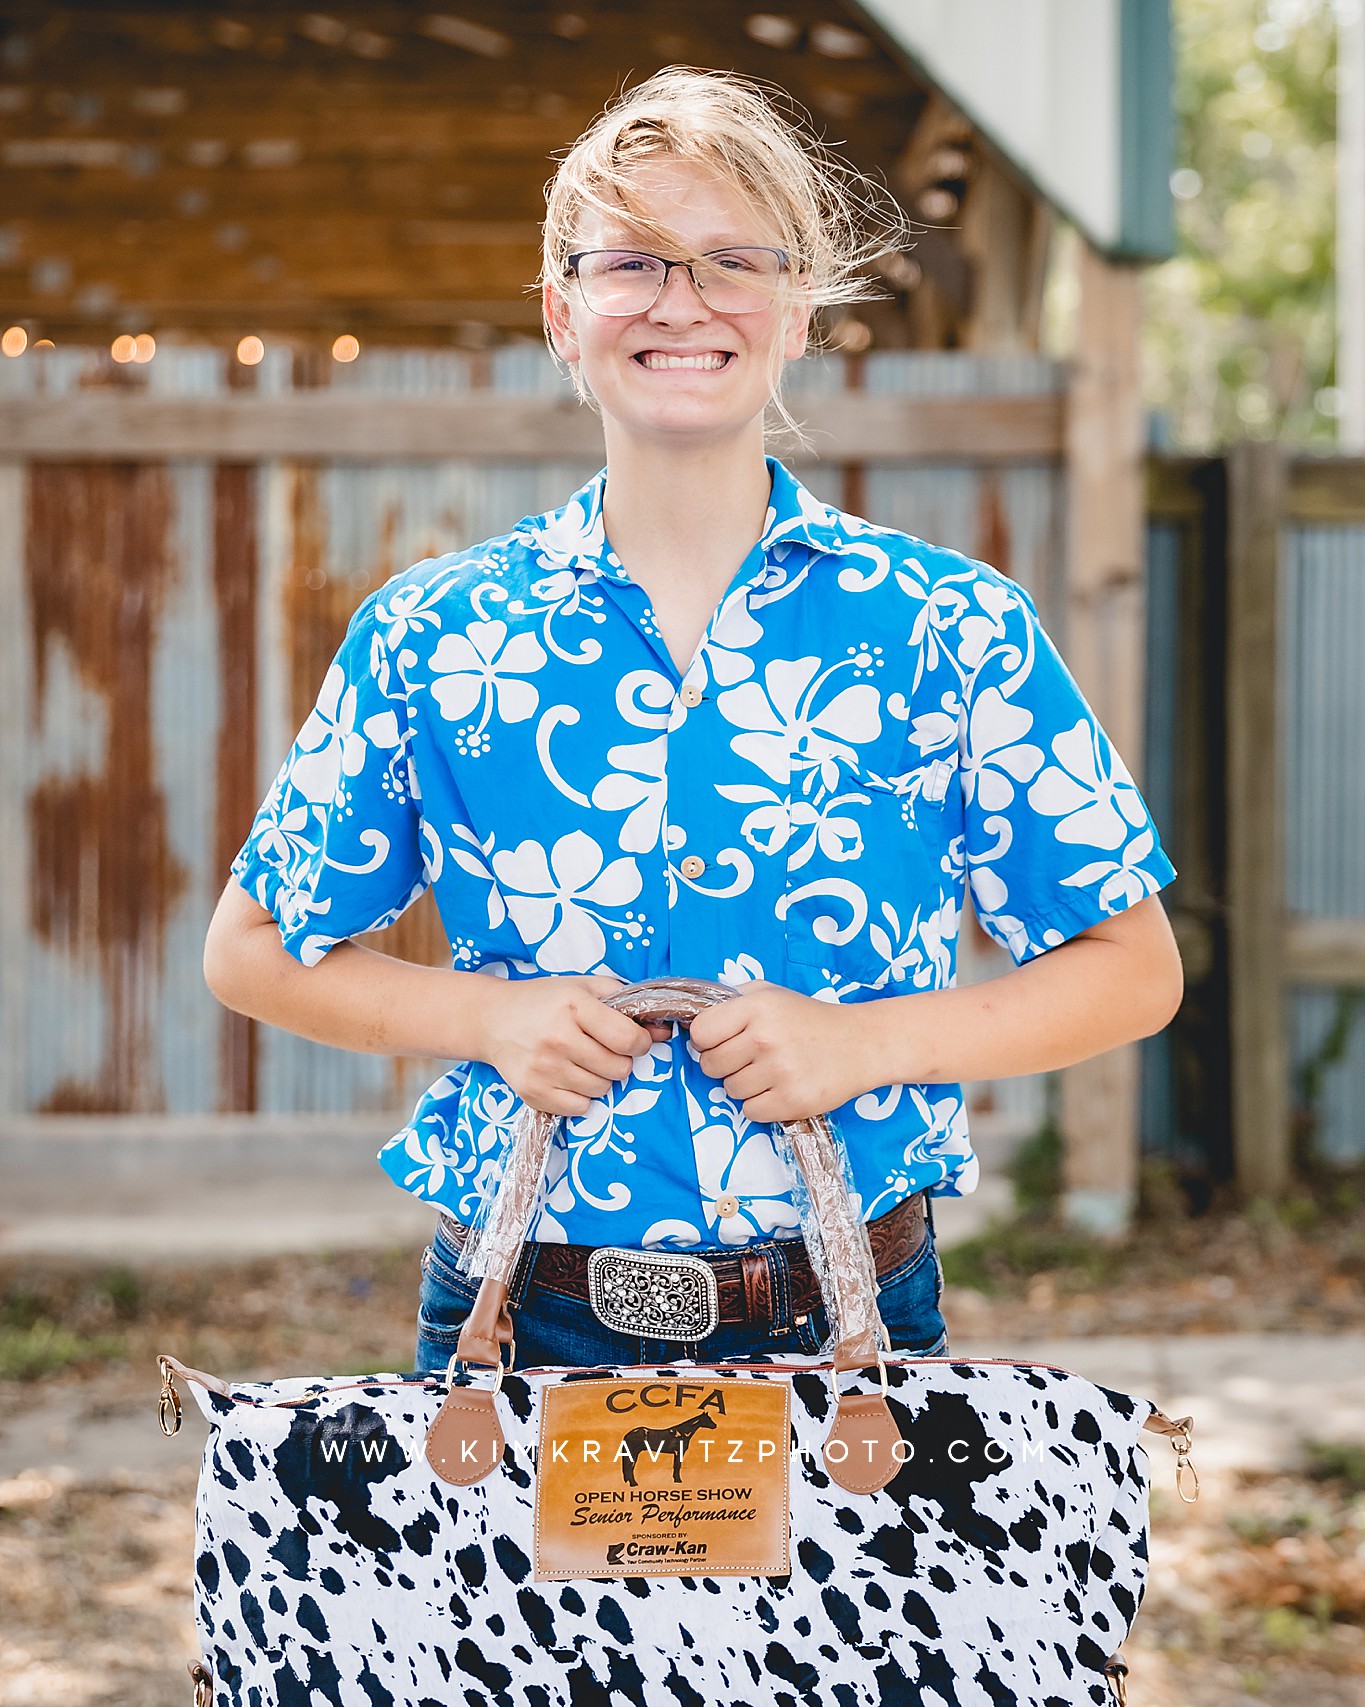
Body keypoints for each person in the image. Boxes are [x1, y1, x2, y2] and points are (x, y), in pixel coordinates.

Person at [203, 67, 1183, 1378]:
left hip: (847, 1317)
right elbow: (253, 950)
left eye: (733, 261)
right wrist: (493, 1020)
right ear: (562, 314)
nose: (682, 303)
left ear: (796, 314)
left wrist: (861, 1042)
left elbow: (1132, 968)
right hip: (518, 1308)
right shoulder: (432, 631)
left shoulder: (947, 625)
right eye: (633, 264)